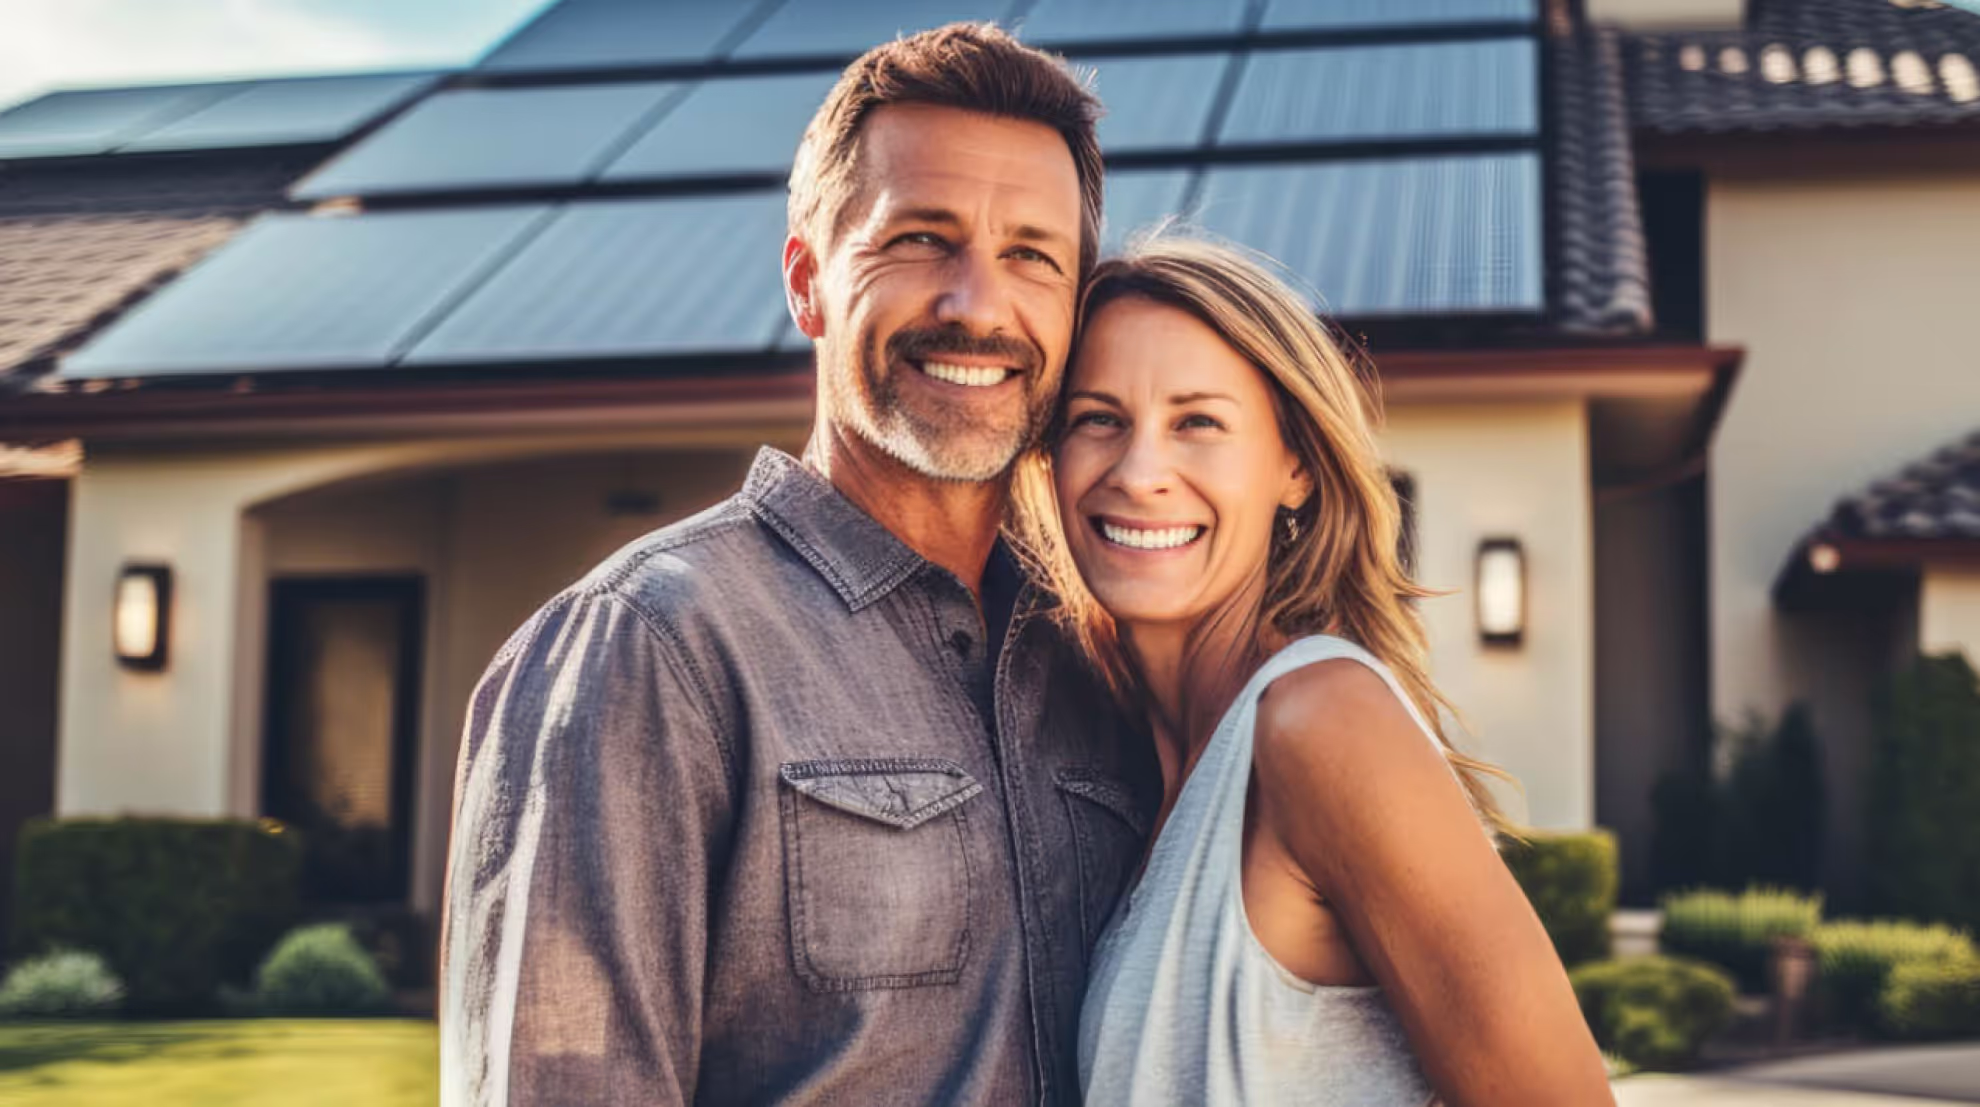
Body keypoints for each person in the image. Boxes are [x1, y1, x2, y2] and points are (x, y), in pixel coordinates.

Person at [439, 24, 1153, 1107]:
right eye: (920, 239)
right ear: (809, 281)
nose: (978, 304)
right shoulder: (647, 649)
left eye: (1032, 257)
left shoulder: (1107, 656)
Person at [1007, 236, 1617, 1104]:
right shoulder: (1133, 770)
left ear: (1292, 466)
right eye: (1099, 418)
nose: (1140, 473)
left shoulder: (1319, 717)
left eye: (1197, 422)